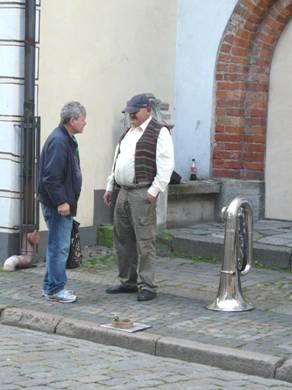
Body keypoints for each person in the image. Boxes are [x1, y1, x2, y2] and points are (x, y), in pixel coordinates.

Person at [104, 93, 174, 301]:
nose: (132, 115)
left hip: (142, 191)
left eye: (135, 111)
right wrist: (110, 186)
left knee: (144, 240)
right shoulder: (128, 132)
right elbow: (117, 162)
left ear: (148, 110)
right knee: (122, 238)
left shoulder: (159, 132)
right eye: (129, 112)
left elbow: (166, 166)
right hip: (123, 191)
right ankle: (128, 281)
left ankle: (148, 285)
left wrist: (153, 192)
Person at [38, 101, 86, 303]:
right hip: (59, 205)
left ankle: (51, 286)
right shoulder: (59, 141)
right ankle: (55, 289)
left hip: (61, 203)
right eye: (83, 119)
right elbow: (51, 177)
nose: (85, 123)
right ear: (73, 120)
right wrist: (61, 201)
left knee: (56, 246)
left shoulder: (65, 138)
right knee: (59, 247)